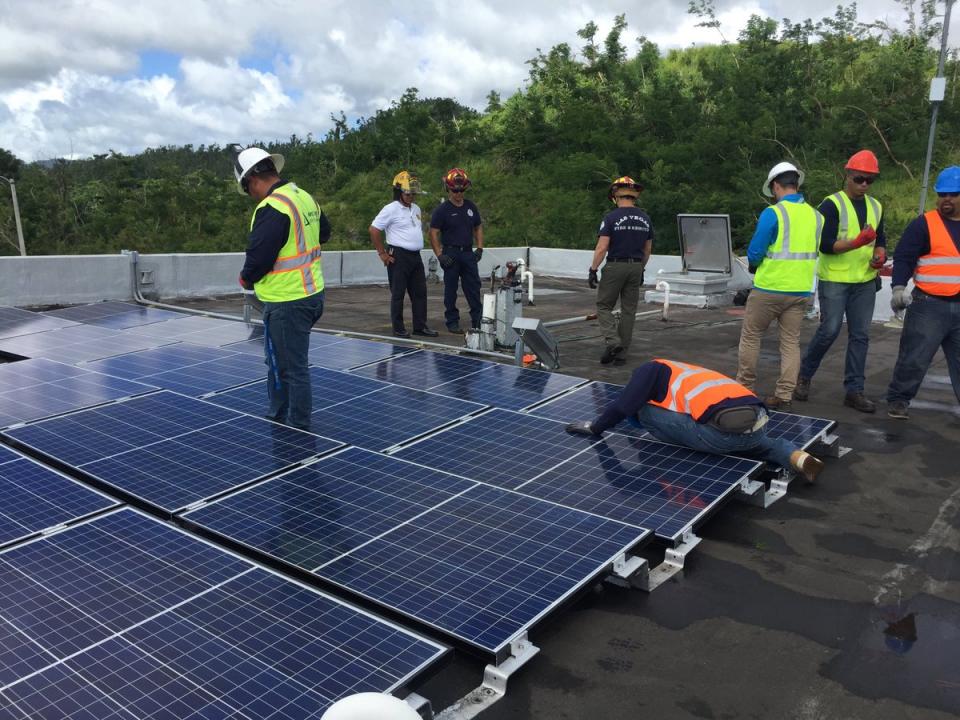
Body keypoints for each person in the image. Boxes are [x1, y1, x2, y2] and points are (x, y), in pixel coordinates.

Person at [565, 359, 825, 481]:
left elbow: (623, 406)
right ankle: (797, 458)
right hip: (757, 423)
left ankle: (689, 440)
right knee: (765, 444)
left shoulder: (647, 371)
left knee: (643, 410)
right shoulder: (686, 371)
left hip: (717, 437)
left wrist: (595, 427)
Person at [234, 145, 328, 430]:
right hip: (313, 294)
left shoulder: (272, 207)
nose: (250, 194)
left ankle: (292, 426)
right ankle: (290, 420)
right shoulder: (302, 196)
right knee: (293, 364)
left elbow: (259, 257)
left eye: (247, 187)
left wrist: (246, 278)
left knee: (287, 368)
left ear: (253, 179)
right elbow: (324, 232)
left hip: (287, 301)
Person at [796, 150, 886, 413]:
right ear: (847, 175)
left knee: (861, 336)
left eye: (870, 180)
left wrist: (880, 254)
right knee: (829, 330)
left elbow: (881, 239)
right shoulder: (831, 205)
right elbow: (824, 245)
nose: (864, 185)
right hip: (835, 279)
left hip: (865, 281)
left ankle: (854, 391)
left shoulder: (876, 206)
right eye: (859, 179)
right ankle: (804, 376)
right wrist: (856, 243)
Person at [737, 162, 822, 410]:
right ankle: (784, 394)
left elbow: (755, 251)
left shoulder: (773, 213)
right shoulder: (817, 216)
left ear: (776, 186)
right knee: (790, 343)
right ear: (796, 184)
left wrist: (754, 264)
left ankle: (744, 388)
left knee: (752, 337)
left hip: (769, 288)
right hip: (800, 291)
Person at [886, 165, 960, 419]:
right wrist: (898, 288)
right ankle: (898, 400)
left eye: (953, 194)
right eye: (942, 194)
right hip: (928, 305)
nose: (946, 199)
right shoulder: (925, 224)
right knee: (914, 358)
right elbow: (905, 257)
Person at [589, 176, 653, 365]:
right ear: (634, 196)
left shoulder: (611, 218)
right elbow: (647, 249)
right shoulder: (645, 218)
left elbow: (602, 247)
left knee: (603, 306)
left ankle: (613, 341)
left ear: (615, 196)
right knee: (628, 310)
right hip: (636, 266)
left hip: (615, 265)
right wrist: (641, 269)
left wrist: (593, 269)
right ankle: (621, 354)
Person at [369, 171, 438, 339]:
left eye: (413, 193)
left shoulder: (416, 209)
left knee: (420, 293)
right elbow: (374, 229)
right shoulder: (390, 209)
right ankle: (398, 328)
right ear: (399, 192)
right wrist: (382, 253)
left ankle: (420, 326)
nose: (411, 196)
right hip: (398, 255)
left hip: (415, 256)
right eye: (408, 193)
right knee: (398, 294)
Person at [429, 167, 483, 334]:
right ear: (448, 189)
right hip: (450, 253)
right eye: (455, 190)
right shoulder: (442, 210)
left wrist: (479, 248)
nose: (458, 193)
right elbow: (433, 233)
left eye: (461, 190)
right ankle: (452, 321)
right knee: (450, 290)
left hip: (467, 253)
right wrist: (440, 255)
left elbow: (478, 227)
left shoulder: (470, 207)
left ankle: (477, 320)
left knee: (473, 288)